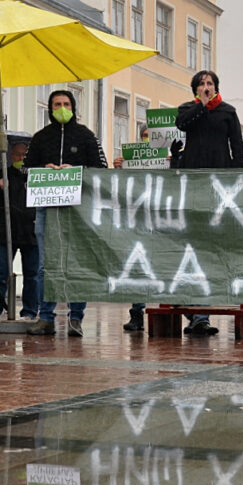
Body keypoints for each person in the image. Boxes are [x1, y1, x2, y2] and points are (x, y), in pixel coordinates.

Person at [24, 90, 107, 337]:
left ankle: (76, 318)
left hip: (78, 210)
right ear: (50, 108)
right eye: (57, 104)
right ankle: (46, 317)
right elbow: (25, 169)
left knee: (77, 263)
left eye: (66, 103)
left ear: (73, 107)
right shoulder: (40, 138)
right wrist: (43, 169)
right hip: (47, 208)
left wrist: (78, 170)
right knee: (44, 265)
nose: (62, 107)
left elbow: (101, 169)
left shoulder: (86, 136)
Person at [175, 69, 243, 336]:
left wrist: (235, 181)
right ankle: (194, 312)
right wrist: (201, 106)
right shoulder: (187, 110)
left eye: (210, 83)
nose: (206, 87)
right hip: (192, 184)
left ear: (217, 86)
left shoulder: (227, 111)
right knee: (192, 245)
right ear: (195, 89)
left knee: (209, 246)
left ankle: (201, 313)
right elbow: (184, 126)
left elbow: (236, 147)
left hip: (219, 185)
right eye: (202, 84)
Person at [114, 126, 151, 332]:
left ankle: (189, 313)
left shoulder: (171, 158)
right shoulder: (133, 160)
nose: (148, 140)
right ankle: (137, 313)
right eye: (145, 136)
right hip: (139, 220)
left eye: (152, 137)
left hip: (166, 220)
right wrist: (120, 168)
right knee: (138, 268)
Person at [0, 141, 40, 320]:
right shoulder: (3, 175)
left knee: (32, 275)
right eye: (18, 155)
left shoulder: (37, 176)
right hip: (6, 232)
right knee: (1, 272)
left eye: (25, 155)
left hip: (31, 232)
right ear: (10, 156)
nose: (21, 158)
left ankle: (30, 312)